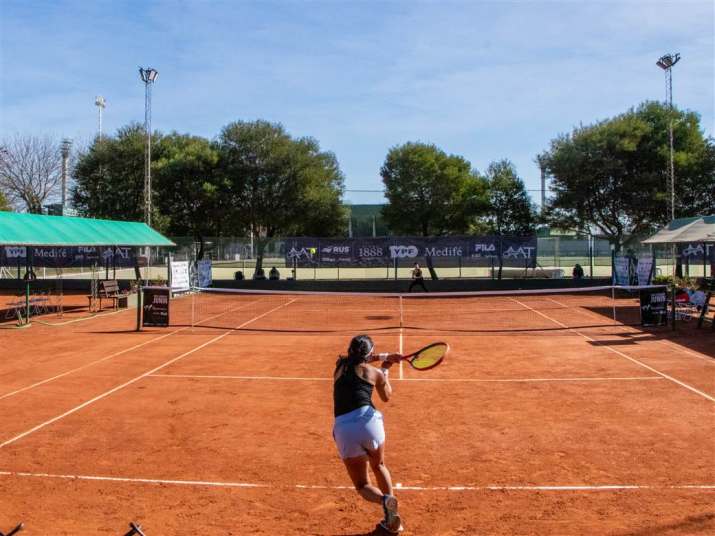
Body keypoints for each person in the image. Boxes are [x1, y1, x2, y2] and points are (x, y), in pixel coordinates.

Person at [333, 335, 404, 534]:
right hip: (370, 422)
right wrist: (385, 369)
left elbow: (361, 360)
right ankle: (391, 519)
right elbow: (386, 397)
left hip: (345, 428)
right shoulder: (375, 374)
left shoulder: (340, 365)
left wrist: (384, 356)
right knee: (379, 465)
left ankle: (385, 500)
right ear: (370, 353)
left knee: (363, 485)